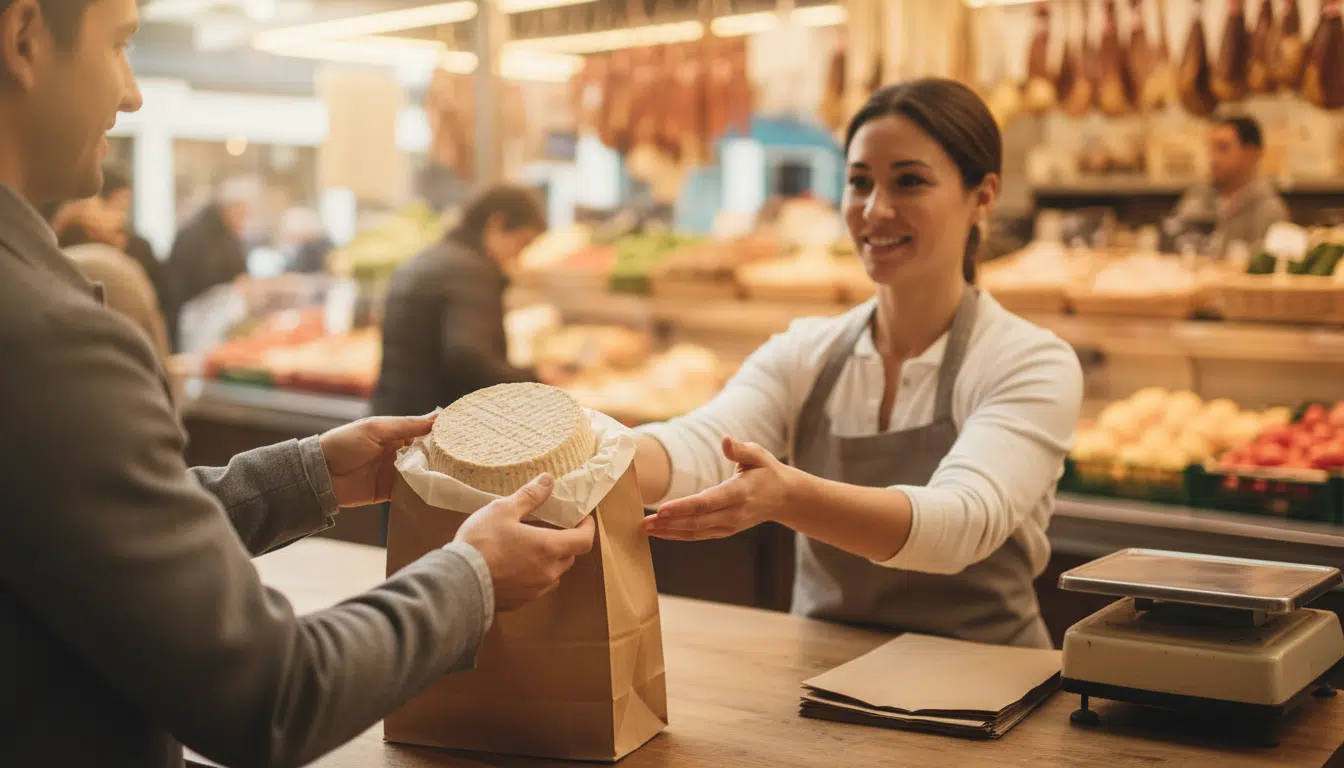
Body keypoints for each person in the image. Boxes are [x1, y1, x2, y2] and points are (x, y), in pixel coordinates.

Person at [0, 2, 593, 767]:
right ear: (22, 38)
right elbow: (271, 696)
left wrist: (304, 476)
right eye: (119, 46)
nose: (131, 92)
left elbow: (71, 535)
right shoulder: (49, 340)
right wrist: (471, 579)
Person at [633, 79, 1084, 650]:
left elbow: (960, 523)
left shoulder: (1029, 361)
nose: (876, 209)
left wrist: (789, 498)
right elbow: (703, 446)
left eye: (909, 181)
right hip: (823, 685)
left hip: (989, 695)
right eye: (859, 182)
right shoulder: (807, 351)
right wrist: (598, 455)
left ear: (983, 197)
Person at [372, 183, 547, 420]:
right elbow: (468, 357)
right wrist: (535, 382)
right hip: (430, 430)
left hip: (395, 420)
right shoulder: (472, 271)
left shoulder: (428, 257)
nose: (519, 256)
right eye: (522, 242)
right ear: (496, 223)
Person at [43, 197, 172, 363]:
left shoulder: (46, 273)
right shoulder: (118, 273)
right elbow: (155, 354)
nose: (123, 240)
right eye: (118, 232)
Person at [1172, 115, 1290, 255]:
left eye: (1223, 148)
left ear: (1252, 154)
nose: (1213, 158)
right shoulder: (1195, 199)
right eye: (1211, 149)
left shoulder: (1270, 212)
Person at [162, 176, 254, 350]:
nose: (245, 220)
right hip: (195, 321)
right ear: (229, 209)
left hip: (205, 320)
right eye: (243, 213)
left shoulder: (225, 236)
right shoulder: (198, 237)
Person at [99, 162, 166, 297]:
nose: (124, 209)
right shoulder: (82, 240)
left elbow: (163, 294)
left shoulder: (140, 246)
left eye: (127, 200)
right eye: (118, 200)